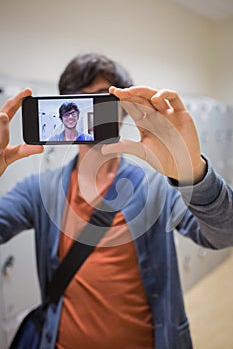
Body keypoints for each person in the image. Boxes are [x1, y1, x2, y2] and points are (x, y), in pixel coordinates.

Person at [0, 53, 233, 349]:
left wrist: (193, 173)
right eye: (79, 102)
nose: (89, 112)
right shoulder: (38, 190)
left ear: (121, 111)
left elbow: (226, 233)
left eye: (101, 101)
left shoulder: (156, 189)